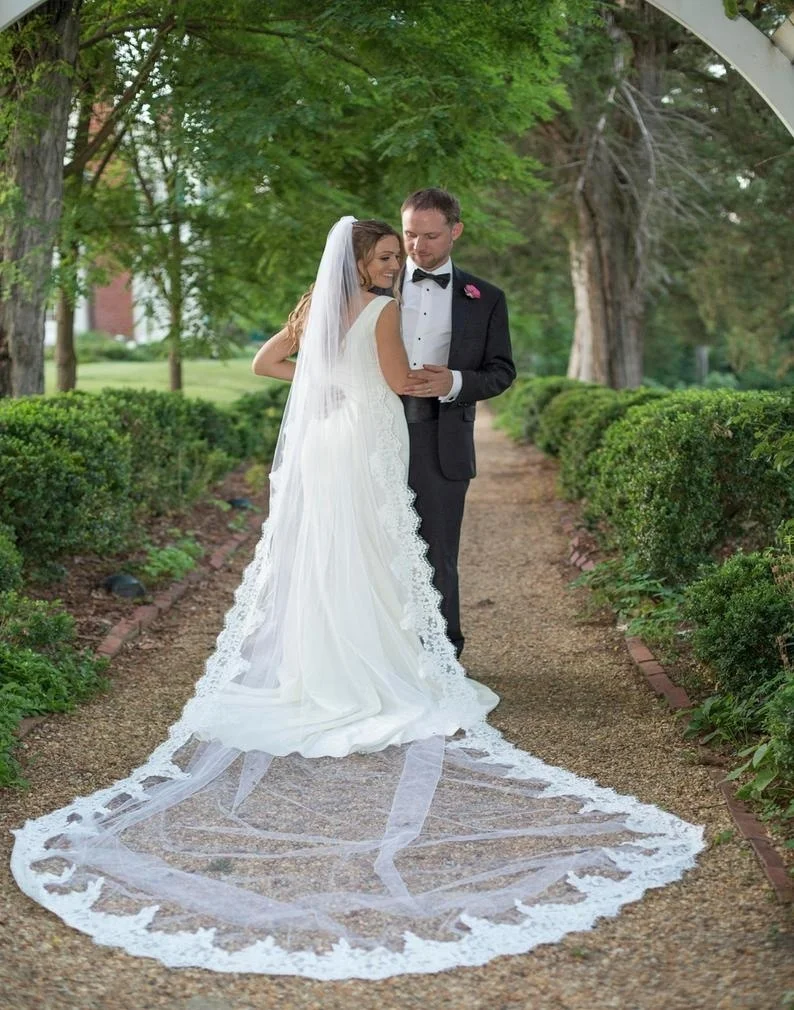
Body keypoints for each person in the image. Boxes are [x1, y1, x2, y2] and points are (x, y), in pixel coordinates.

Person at [11, 216, 703, 980]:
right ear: (363, 260)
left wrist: (324, 384)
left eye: (395, 253)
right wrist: (422, 376)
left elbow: (268, 362)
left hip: (325, 444)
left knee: (325, 559)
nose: (395, 263)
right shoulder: (378, 312)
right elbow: (403, 382)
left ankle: (317, 667)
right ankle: (376, 673)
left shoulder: (315, 305)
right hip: (369, 447)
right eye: (383, 254)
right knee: (375, 557)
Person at [399, 188, 515, 657]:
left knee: (437, 551)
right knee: (371, 545)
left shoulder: (485, 298)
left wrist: (454, 382)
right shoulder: (374, 287)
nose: (417, 247)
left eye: (429, 235)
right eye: (409, 234)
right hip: (374, 431)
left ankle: (444, 655)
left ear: (455, 231)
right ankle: (383, 656)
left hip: (442, 438)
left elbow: (501, 372)